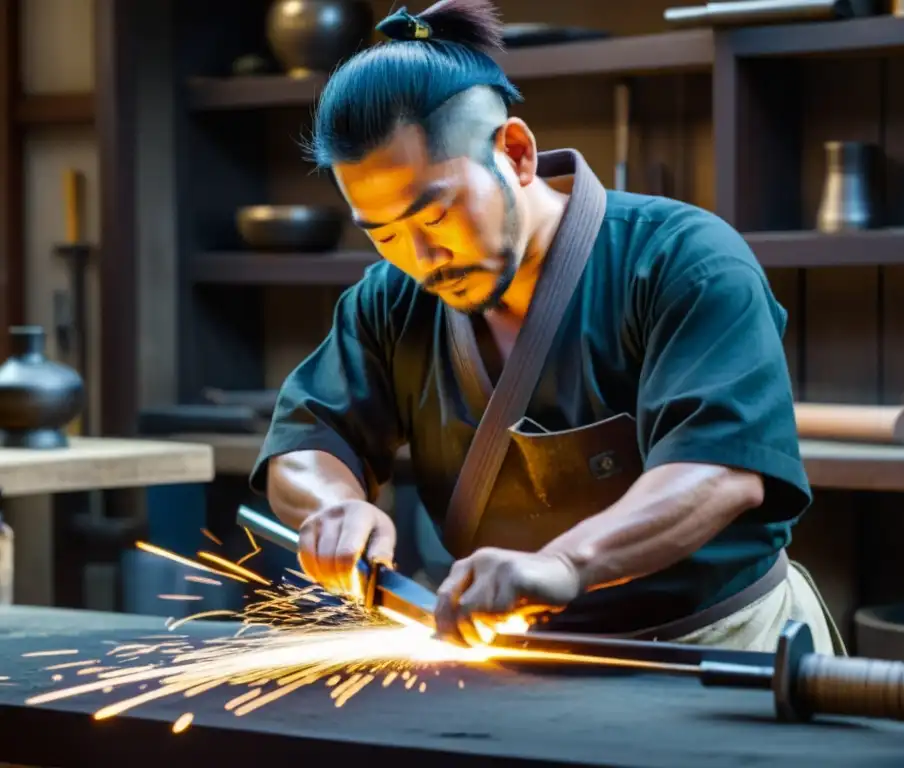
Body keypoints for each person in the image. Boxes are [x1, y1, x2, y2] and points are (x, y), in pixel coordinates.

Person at [251, 0, 844, 654]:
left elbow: (721, 470)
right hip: (516, 654)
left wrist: (566, 564)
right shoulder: (391, 301)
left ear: (516, 151)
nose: (421, 259)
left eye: (436, 215)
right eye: (385, 234)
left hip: (714, 642)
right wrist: (335, 507)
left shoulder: (685, 261)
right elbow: (306, 440)